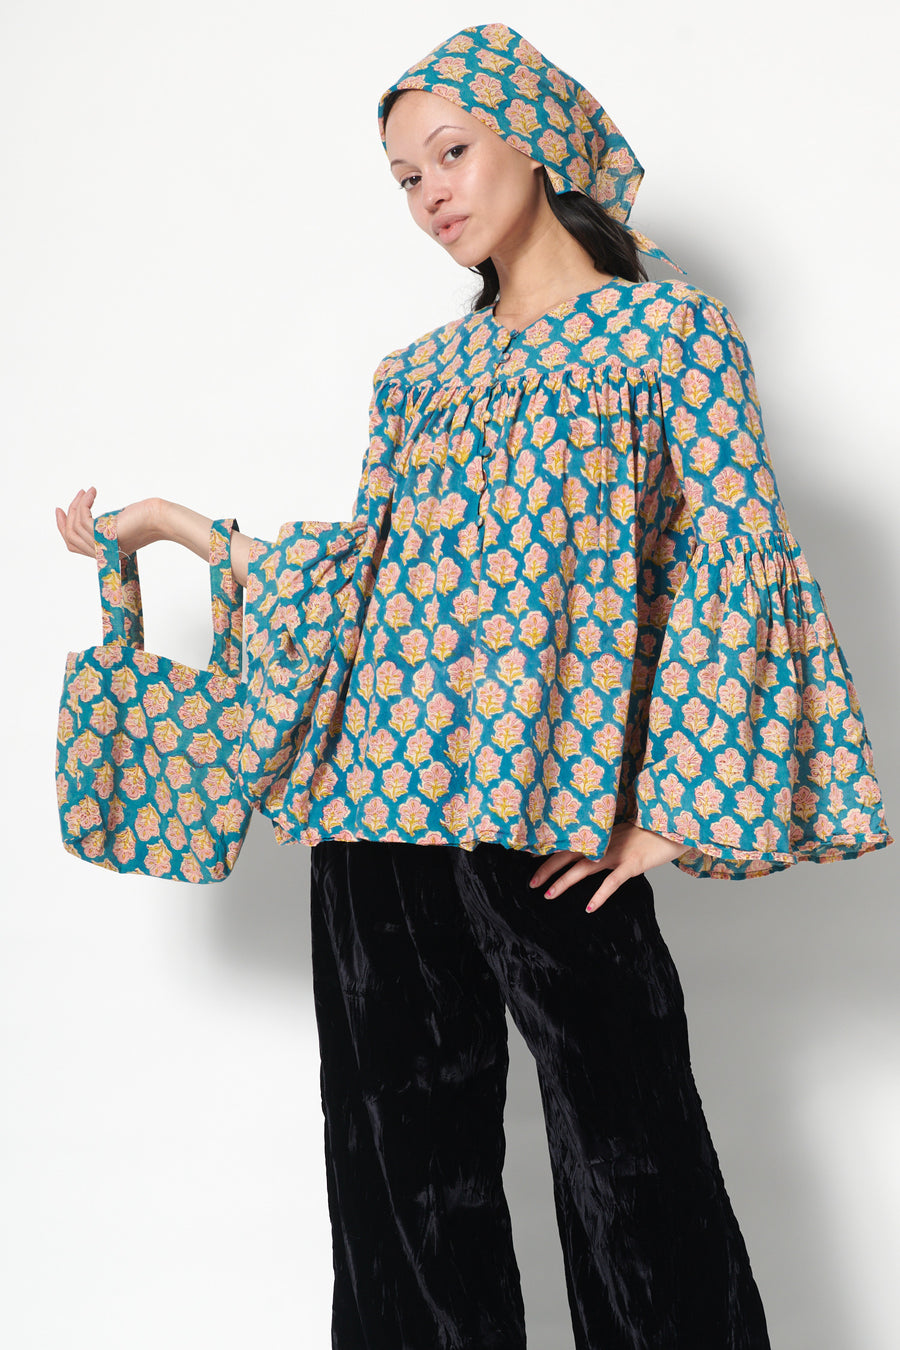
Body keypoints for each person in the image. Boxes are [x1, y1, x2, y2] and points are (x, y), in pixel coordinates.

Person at [57, 21, 893, 1350]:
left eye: (450, 153)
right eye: (405, 176)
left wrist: (669, 810)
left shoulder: (666, 335)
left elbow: (731, 564)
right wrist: (182, 530)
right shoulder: (418, 378)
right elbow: (368, 581)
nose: (429, 194)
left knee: (634, 1159)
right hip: (376, 814)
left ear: (537, 139)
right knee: (399, 1173)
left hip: (548, 812)